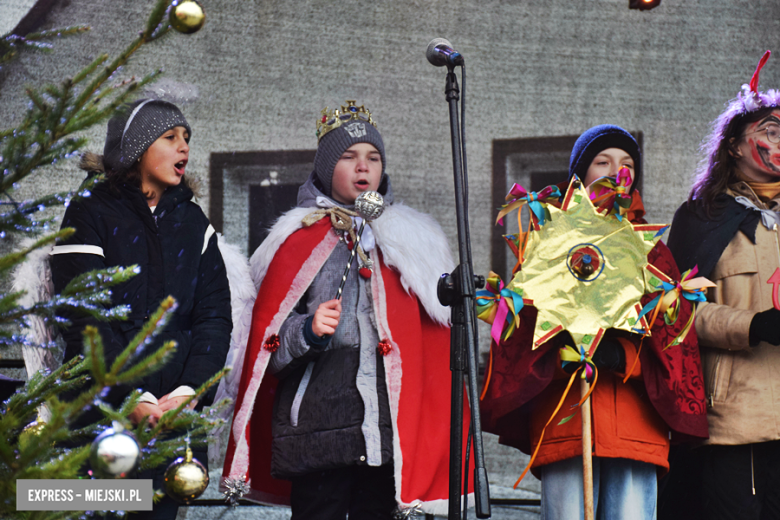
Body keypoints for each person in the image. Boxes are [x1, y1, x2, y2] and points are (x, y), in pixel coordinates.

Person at [222, 100, 465, 518]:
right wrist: (307, 331)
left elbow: (435, 344)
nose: (362, 167)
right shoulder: (293, 240)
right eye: (349, 157)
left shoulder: (411, 243)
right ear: (325, 168)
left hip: (386, 434)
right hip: (316, 429)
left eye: (372, 157)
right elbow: (263, 350)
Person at [480, 125, 708, 520]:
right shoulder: (546, 244)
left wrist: (625, 359)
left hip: (636, 427)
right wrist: (558, 355)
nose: (616, 170)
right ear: (580, 174)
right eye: (602, 161)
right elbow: (516, 331)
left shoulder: (651, 249)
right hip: (567, 422)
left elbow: (675, 339)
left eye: (627, 163)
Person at [50, 99, 232, 519]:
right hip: (100, 416)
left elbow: (214, 318)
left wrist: (189, 394)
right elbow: (83, 317)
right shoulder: (89, 210)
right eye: (170, 138)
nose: (184, 147)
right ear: (135, 147)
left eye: (187, 138)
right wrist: (133, 396)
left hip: (171, 421)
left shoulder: (194, 223)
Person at [665, 51, 780, 519]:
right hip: (736, 421)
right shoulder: (701, 218)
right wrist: (753, 326)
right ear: (733, 144)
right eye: (771, 132)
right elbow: (676, 310)